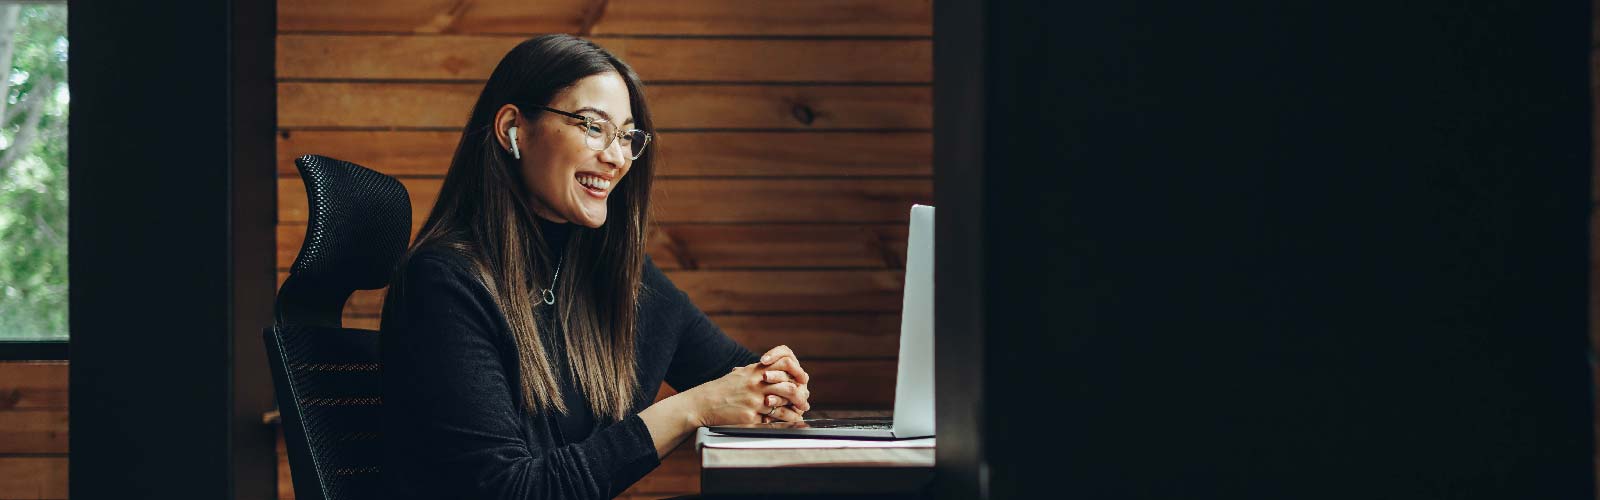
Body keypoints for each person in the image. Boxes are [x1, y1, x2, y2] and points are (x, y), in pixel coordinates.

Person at [379, 34, 813, 499]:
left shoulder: (613, 274)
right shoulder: (442, 283)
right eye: (592, 125)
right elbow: (510, 491)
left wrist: (777, 386)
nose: (616, 157)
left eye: (627, 136)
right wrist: (690, 409)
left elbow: (735, 372)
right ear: (512, 129)